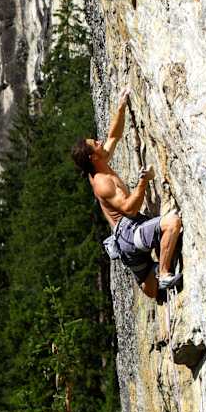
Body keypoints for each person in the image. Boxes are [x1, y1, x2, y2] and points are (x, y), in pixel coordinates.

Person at [72, 87, 182, 298]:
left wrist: (121, 108)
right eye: (95, 144)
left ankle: (152, 280)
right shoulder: (103, 183)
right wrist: (143, 181)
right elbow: (129, 209)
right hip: (129, 233)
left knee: (151, 290)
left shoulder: (98, 162)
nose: (99, 142)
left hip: (125, 241)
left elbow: (114, 135)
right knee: (172, 222)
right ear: (93, 157)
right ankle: (164, 273)